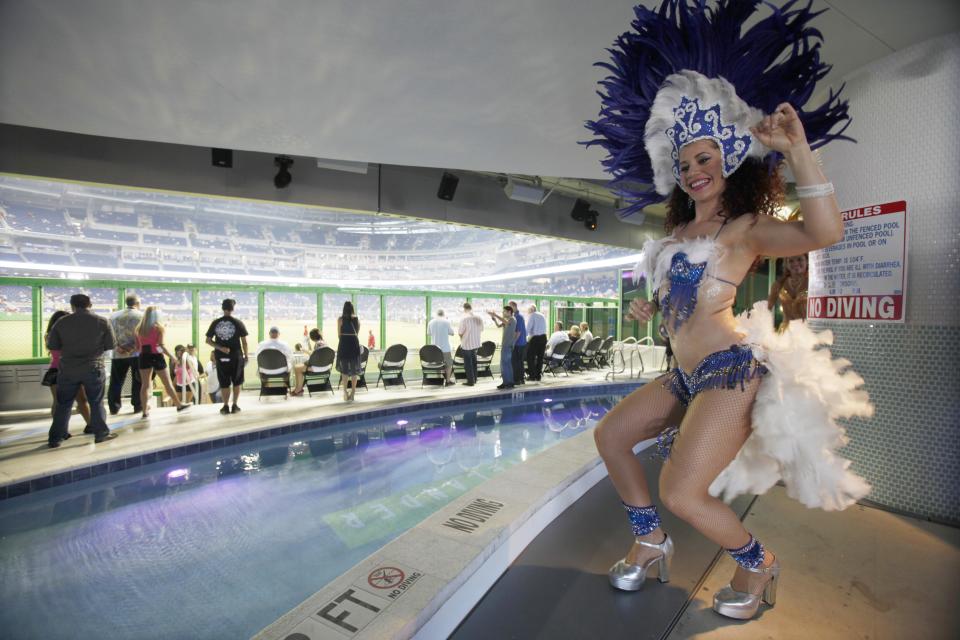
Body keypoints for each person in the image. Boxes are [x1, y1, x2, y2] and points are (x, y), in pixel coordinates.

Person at [586, 0, 871, 621]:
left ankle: (758, 563)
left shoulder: (744, 229)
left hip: (729, 372)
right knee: (611, 436)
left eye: (706, 158)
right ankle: (650, 540)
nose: (694, 171)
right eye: (685, 163)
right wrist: (646, 308)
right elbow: (676, 299)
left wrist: (797, 150)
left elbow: (825, 231)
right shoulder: (675, 238)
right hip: (684, 372)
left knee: (682, 491)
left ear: (729, 161)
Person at [46, 294, 117, 446]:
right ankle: (101, 434)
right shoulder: (102, 321)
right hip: (94, 366)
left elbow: (53, 346)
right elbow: (111, 345)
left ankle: (55, 438)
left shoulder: (61, 322)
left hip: (68, 369)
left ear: (72, 305)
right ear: (89, 304)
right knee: (96, 402)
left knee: (63, 404)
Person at [41, 310, 91, 433]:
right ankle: (91, 425)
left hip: (55, 370)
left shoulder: (49, 335)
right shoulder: (70, 334)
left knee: (58, 403)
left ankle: (61, 431)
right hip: (72, 370)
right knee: (82, 401)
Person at [136, 307, 190, 417]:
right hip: (156, 356)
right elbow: (161, 347)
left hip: (143, 357)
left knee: (145, 385)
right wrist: (173, 357)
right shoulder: (159, 328)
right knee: (167, 383)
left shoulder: (139, 329)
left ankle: (144, 411)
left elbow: (138, 347)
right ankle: (178, 405)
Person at [205, 298, 249, 415]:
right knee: (237, 382)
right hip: (236, 357)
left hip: (221, 357)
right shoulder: (238, 323)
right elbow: (244, 342)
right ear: (233, 309)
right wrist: (246, 355)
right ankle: (234, 405)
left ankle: (225, 406)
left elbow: (208, 341)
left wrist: (220, 348)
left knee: (224, 382)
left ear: (222, 308)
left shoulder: (215, 323)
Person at [107, 294, 143, 415]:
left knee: (116, 381)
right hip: (136, 353)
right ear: (137, 303)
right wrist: (132, 347)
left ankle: (114, 407)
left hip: (118, 354)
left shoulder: (114, 316)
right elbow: (142, 335)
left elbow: (109, 334)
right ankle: (138, 405)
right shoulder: (141, 316)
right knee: (137, 380)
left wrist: (118, 347)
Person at [767, 254, 809, 332]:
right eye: (791, 261)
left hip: (807, 332)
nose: (795, 263)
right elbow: (766, 308)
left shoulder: (814, 282)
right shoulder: (779, 284)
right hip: (785, 333)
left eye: (800, 259)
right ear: (786, 264)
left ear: (807, 261)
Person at [336, 301, 362, 401]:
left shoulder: (340, 319)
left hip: (344, 343)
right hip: (354, 343)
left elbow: (339, 334)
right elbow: (357, 333)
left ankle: (345, 392)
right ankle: (353, 393)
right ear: (352, 308)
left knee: (344, 370)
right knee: (354, 370)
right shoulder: (357, 319)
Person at [488, 305, 515, 390]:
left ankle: (508, 382)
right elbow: (498, 325)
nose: (503, 313)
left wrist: (495, 315)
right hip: (505, 346)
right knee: (505, 365)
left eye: (504, 312)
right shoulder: (507, 321)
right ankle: (507, 382)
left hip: (507, 346)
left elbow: (505, 322)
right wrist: (494, 319)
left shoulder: (512, 320)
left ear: (509, 312)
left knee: (506, 365)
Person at [427, 308, 456, 385]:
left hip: (435, 349)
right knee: (449, 365)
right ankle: (448, 381)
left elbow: (429, 333)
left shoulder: (431, 322)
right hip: (445, 348)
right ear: (444, 314)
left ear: (436, 314)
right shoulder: (446, 322)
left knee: (437, 364)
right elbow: (452, 333)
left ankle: (439, 379)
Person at [458, 302, 483, 386]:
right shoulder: (479, 318)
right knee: (474, 362)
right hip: (476, 343)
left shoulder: (464, 318)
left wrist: (462, 338)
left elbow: (460, 332)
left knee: (468, 363)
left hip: (467, 343)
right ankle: (475, 379)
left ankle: (471, 381)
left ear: (464, 309)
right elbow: (481, 329)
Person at [526, 305, 548, 381]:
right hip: (544, 338)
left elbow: (528, 328)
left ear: (531, 310)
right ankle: (538, 375)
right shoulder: (542, 315)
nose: (527, 312)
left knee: (530, 357)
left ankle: (532, 376)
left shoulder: (532, 316)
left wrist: (524, 338)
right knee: (540, 358)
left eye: (528, 310)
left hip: (536, 338)